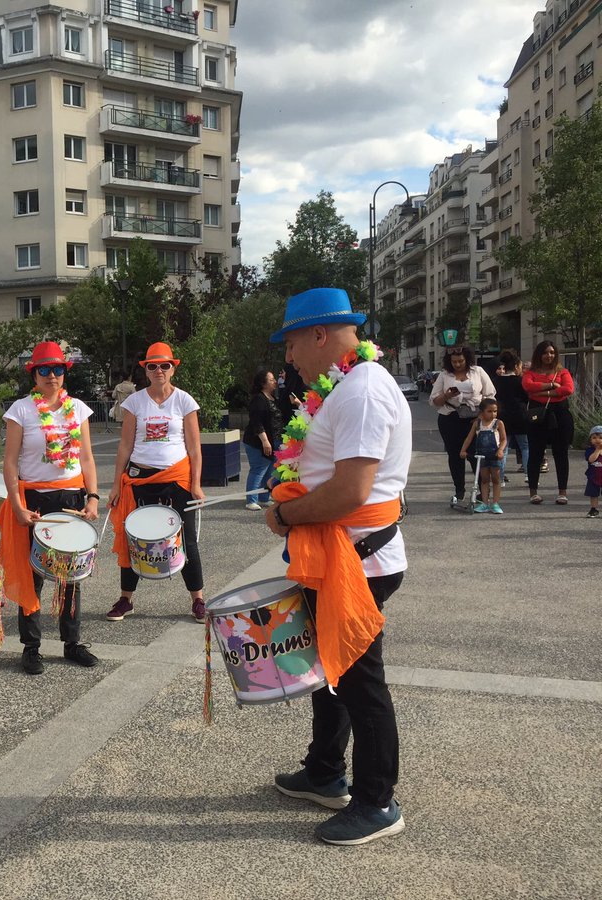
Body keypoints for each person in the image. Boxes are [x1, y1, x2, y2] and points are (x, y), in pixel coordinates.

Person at [264, 287, 410, 846]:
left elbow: (351, 490)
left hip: (359, 561)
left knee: (358, 681)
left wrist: (285, 513)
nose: (289, 356)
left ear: (320, 334)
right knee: (330, 669)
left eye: (292, 341)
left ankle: (377, 801)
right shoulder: (346, 386)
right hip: (342, 555)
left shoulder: (363, 391)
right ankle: (325, 772)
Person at [0, 341, 100, 675]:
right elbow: (10, 464)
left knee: (71, 576)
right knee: (34, 575)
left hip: (70, 499)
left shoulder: (79, 409)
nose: (52, 376)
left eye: (58, 369)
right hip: (35, 501)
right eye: (45, 370)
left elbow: (86, 457)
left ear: (64, 372)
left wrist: (93, 496)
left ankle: (72, 643)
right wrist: (16, 505)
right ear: (34, 374)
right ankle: (31, 647)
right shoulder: (21, 411)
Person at [104, 342, 206, 623]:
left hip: (177, 477)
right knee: (132, 536)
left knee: (186, 538)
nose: (159, 370)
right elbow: (125, 446)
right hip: (140, 477)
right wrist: (115, 484)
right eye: (152, 366)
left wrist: (196, 484)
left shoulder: (184, 401)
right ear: (145, 370)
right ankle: (126, 599)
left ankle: (197, 599)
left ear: (173, 368)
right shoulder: (134, 402)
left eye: (164, 365)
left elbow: (195, 448)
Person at [430, 345, 495, 505]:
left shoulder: (478, 372)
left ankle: (482, 490)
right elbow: (433, 401)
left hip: (474, 419)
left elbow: (490, 395)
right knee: (455, 455)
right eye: (454, 362)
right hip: (450, 418)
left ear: (467, 359)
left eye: (460, 361)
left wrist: (482, 416)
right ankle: (459, 490)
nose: (457, 364)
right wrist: (447, 395)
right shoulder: (444, 375)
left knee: (476, 454)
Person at [522, 340, 575, 505]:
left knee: (561, 453)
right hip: (538, 415)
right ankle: (533, 492)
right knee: (535, 453)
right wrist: (552, 386)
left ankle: (562, 492)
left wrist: (543, 392)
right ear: (539, 354)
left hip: (560, 415)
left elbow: (568, 389)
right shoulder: (530, 372)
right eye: (545, 352)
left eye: (552, 352)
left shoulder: (563, 371)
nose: (549, 355)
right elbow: (528, 386)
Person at [243, 368, 284, 511]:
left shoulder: (273, 398)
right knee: (259, 468)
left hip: (275, 440)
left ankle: (264, 497)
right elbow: (257, 422)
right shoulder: (259, 399)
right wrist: (265, 441)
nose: (274, 382)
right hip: (257, 442)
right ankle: (251, 499)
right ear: (263, 383)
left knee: (271, 470)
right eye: (271, 380)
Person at [459, 398, 507, 513]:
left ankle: (495, 503)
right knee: (484, 479)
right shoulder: (477, 424)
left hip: (494, 455)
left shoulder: (498, 423)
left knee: (495, 479)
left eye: (495, 411)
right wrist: (463, 450)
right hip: (482, 456)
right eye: (489, 411)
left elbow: (504, 439)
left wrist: (500, 450)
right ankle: (485, 503)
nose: (493, 414)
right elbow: (469, 438)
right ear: (482, 412)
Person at [493, 349, 529, 485]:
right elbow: (526, 398)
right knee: (525, 446)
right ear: (515, 366)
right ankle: (529, 476)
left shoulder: (496, 381)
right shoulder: (520, 381)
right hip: (520, 415)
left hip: (502, 417)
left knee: (503, 447)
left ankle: (500, 478)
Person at [584, 424, 602, 519]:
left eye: (600, 437)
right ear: (590, 440)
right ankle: (594, 509)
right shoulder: (590, 450)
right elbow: (591, 460)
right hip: (593, 476)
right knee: (593, 494)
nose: (597, 440)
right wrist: (597, 451)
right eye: (594, 437)